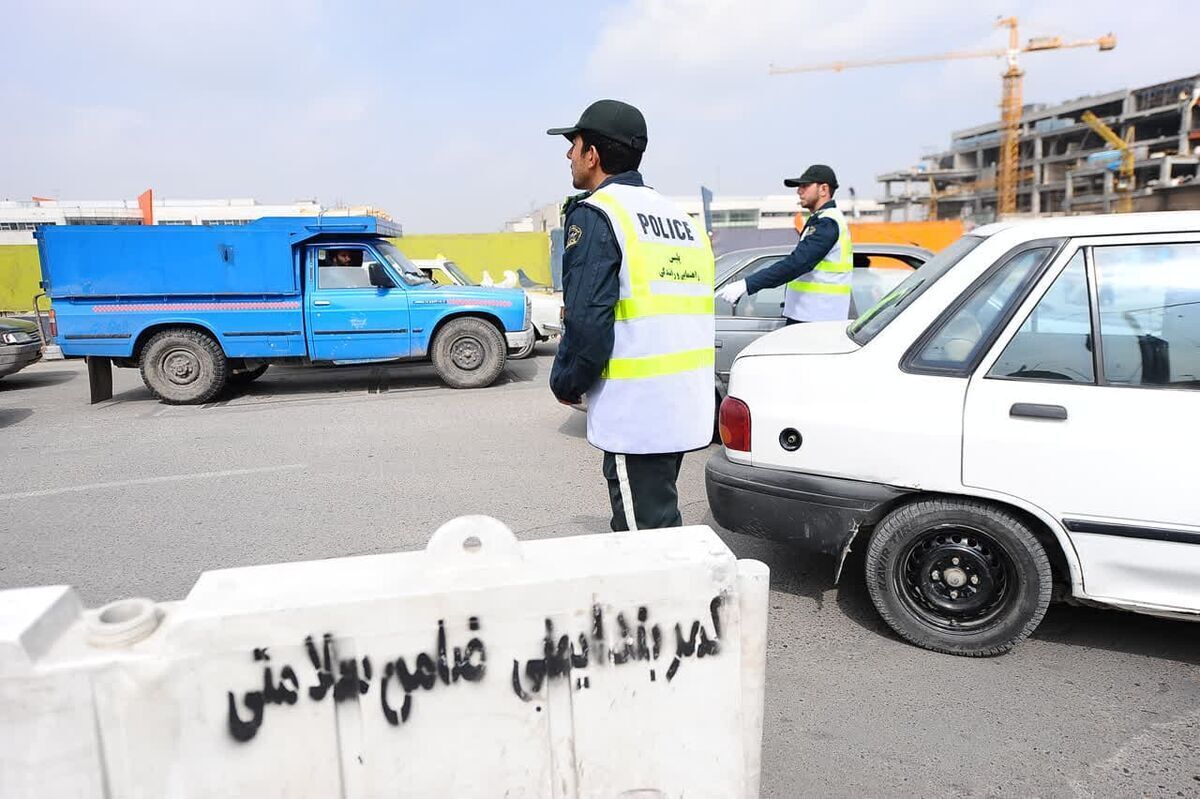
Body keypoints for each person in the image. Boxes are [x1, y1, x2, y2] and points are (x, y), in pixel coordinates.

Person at [546, 99, 715, 532]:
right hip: (682, 402)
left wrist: (566, 381)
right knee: (659, 524)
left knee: (645, 541)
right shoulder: (678, 217)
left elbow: (587, 319)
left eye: (574, 144)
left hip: (638, 411)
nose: (568, 155)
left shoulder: (600, 214)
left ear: (593, 155)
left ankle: (676, 602)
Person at [717, 165, 854, 324]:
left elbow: (796, 264)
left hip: (816, 320)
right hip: (812, 316)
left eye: (805, 186)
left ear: (823, 189)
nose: (799, 191)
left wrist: (747, 284)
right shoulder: (823, 219)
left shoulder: (827, 222)